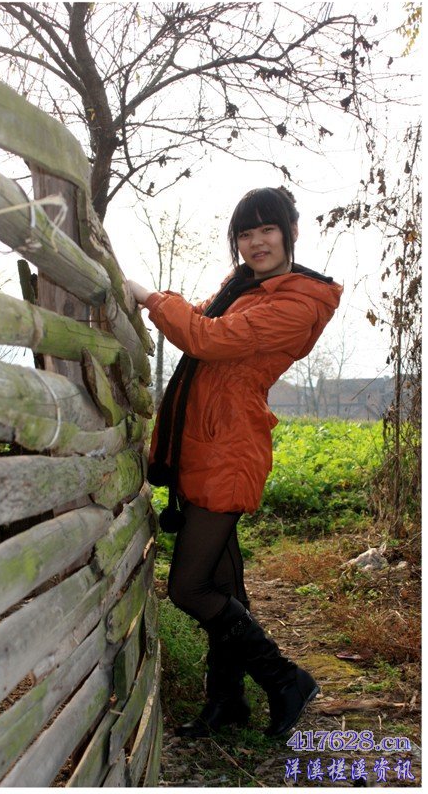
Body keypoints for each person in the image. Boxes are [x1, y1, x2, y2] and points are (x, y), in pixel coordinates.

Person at [127, 186, 343, 739]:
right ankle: (227, 701)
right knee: (224, 585)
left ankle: (285, 679)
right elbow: (200, 318)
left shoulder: (298, 302)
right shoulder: (243, 287)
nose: (256, 242)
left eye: (267, 229)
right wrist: (164, 304)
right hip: (202, 442)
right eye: (246, 233)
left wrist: (148, 296)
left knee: (189, 588)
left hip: (229, 448)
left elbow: (205, 337)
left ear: (291, 232)